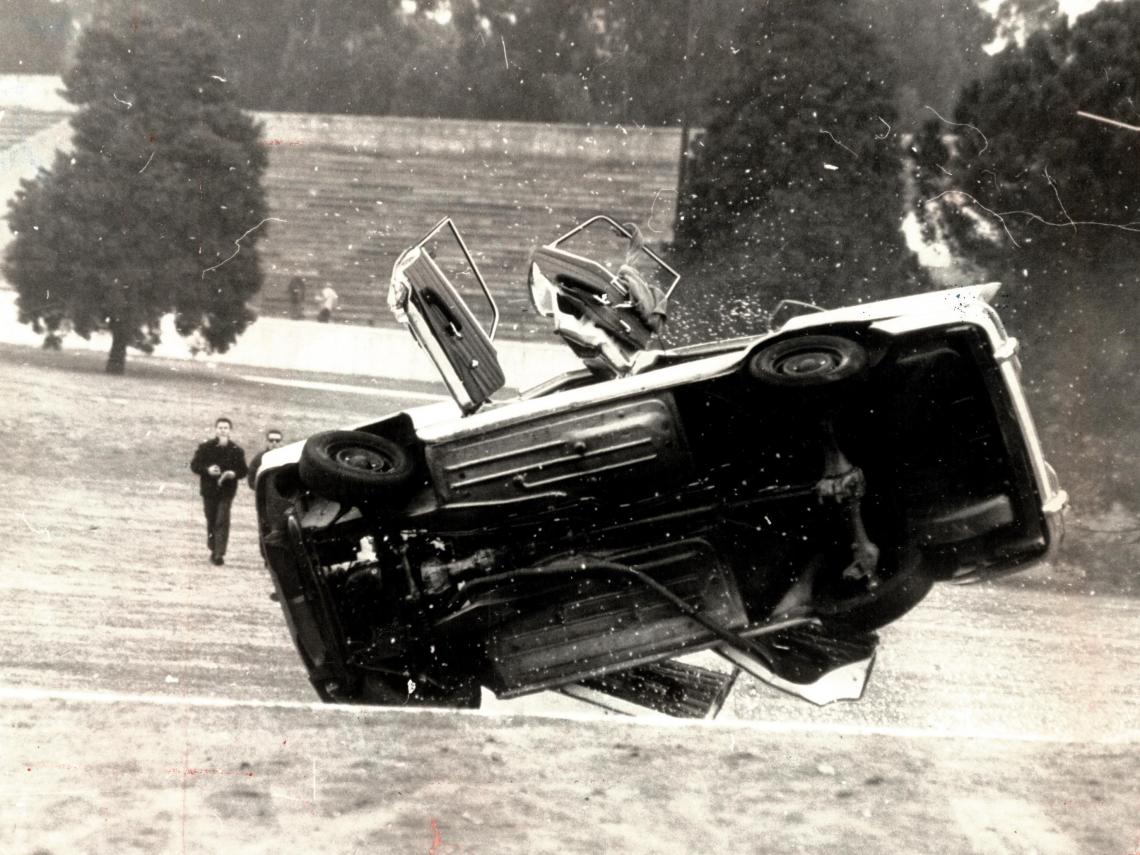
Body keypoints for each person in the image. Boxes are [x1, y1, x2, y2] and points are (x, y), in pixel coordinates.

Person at [190, 416, 248, 566]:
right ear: (216, 429)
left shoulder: (237, 450)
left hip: (226, 492)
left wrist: (233, 474)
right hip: (209, 491)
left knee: (222, 520)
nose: (223, 431)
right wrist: (207, 470)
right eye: (220, 428)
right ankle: (213, 548)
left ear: (230, 431)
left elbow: (243, 470)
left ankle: (219, 554)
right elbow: (195, 465)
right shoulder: (205, 447)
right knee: (211, 520)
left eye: (226, 428)